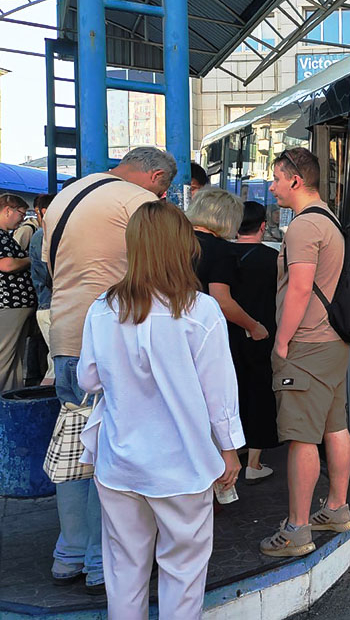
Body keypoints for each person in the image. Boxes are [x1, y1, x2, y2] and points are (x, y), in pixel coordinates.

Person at [77, 201, 243, 620]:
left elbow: (88, 379)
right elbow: (218, 392)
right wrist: (229, 449)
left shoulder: (103, 307)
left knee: (124, 568)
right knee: (183, 572)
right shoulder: (199, 310)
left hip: (119, 460)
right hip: (182, 464)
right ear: (183, 247)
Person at [42, 146, 176, 594]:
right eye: (165, 189)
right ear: (156, 176)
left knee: (74, 444)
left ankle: (69, 554)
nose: (164, 198)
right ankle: (103, 563)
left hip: (65, 337)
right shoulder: (136, 203)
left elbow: (49, 268)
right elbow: (160, 270)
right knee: (109, 451)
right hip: (114, 336)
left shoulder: (67, 194)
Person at [260, 148, 350, 558]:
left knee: (301, 438)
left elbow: (299, 288)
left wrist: (281, 342)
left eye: (277, 178)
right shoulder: (329, 218)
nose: (272, 186)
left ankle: (297, 530)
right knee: (335, 428)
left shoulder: (302, 228)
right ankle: (336, 508)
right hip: (333, 342)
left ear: (296, 181)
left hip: (307, 345)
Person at [229, 201, 280, 482]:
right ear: (262, 226)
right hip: (262, 335)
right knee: (260, 394)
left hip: (226, 337)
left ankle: (233, 451)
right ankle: (255, 463)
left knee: (230, 393)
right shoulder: (272, 259)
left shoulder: (221, 255)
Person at [186, 189, 269, 344]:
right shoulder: (221, 250)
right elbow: (222, 301)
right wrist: (254, 327)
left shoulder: (174, 239)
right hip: (201, 329)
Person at [0, 193, 37, 391]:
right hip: (9, 303)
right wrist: (31, 259)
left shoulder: (6, 235)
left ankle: (11, 397)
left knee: (13, 359)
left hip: (12, 304)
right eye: (21, 214)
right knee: (5, 357)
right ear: (8, 210)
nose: (23, 219)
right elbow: (7, 264)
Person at [29, 195, 56, 384]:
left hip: (47, 304)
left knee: (55, 363)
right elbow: (50, 272)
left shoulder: (41, 234)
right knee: (56, 365)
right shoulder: (43, 235)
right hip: (50, 304)